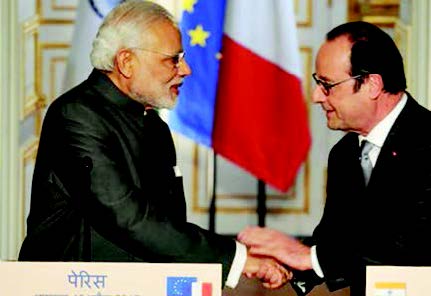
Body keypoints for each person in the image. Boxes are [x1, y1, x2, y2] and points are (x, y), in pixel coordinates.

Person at [18, 0, 290, 289]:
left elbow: (166, 225)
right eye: (172, 59)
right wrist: (236, 259)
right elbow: (128, 216)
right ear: (126, 62)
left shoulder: (155, 126)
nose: (186, 69)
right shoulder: (76, 115)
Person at [238, 21, 431, 295]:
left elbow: (404, 245)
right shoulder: (344, 154)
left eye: (327, 85)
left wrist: (309, 257)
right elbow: (335, 239)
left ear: (372, 84)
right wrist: (285, 263)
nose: (316, 96)